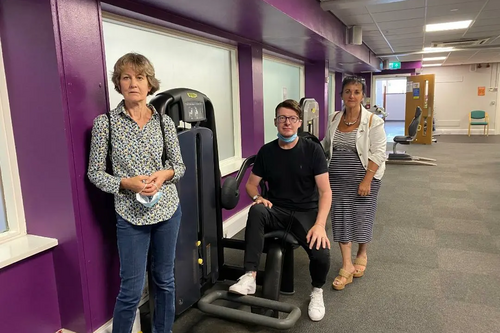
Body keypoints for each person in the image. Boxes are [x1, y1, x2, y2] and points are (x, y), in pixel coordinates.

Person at [88, 53, 185, 333]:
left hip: (167, 211)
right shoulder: (104, 124)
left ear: (149, 84)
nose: (133, 83)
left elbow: (178, 166)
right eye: (126, 77)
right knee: (130, 289)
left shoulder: (164, 123)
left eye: (139, 77)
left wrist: (163, 175)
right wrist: (124, 184)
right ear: (118, 83)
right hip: (130, 217)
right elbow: (94, 173)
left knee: (164, 280)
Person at [228, 99, 332, 322]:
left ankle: (317, 291)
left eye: (292, 118)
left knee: (321, 252)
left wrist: (320, 225)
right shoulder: (267, 151)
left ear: (299, 122)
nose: (287, 122)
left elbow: (326, 192)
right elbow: (250, 184)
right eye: (282, 118)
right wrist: (258, 197)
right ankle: (249, 276)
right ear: (276, 122)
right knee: (256, 211)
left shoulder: (312, 150)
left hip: (306, 212)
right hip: (277, 209)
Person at [321, 76, 386, 291]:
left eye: (356, 92)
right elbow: (327, 145)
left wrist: (367, 180)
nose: (352, 95)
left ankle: (362, 253)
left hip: (363, 177)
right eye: (347, 91)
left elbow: (378, 153)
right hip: (337, 178)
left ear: (363, 96)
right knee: (340, 217)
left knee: (361, 217)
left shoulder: (372, 121)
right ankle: (347, 265)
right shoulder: (334, 118)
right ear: (341, 95)